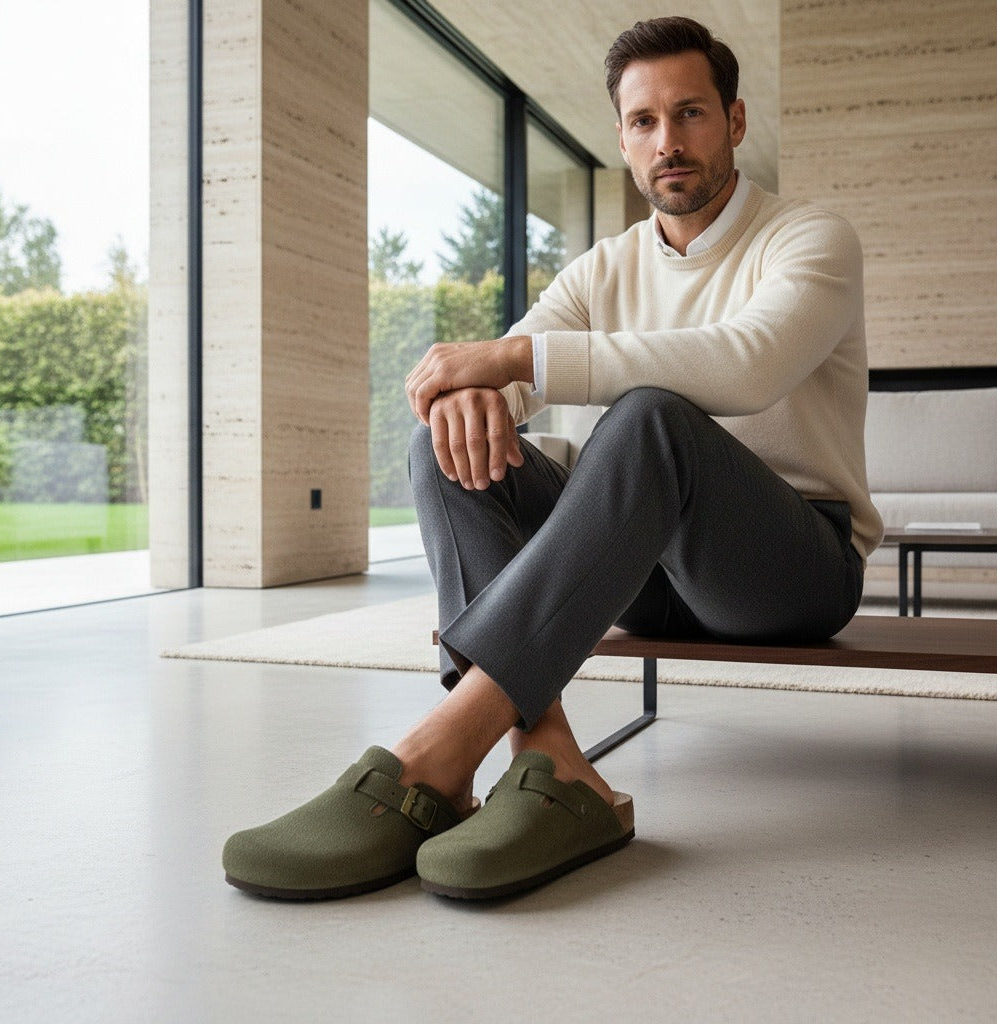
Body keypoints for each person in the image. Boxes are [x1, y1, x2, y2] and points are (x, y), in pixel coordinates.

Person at [222, 15, 883, 902]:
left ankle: (436, 754)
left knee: (650, 420)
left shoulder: (809, 238)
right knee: (446, 449)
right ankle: (553, 762)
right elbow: (497, 391)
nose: (668, 141)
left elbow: (748, 361)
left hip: (788, 565)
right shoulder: (601, 269)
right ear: (623, 139)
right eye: (644, 122)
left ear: (735, 122)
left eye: (690, 113)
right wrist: (472, 395)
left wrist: (514, 361)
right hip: (647, 567)